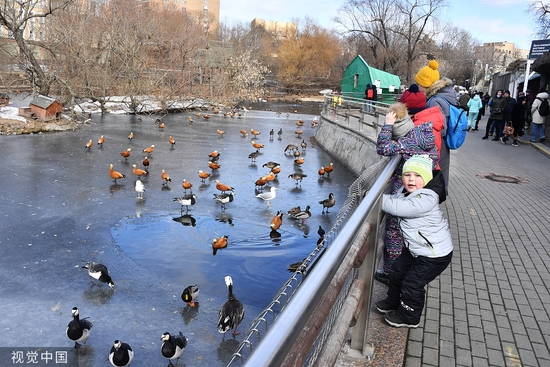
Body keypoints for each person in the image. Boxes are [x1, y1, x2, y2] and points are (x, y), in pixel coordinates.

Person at [375, 155, 453, 328]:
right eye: (407, 175)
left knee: (412, 283)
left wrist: (375, 197)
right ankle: (393, 301)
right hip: (417, 248)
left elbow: (401, 207)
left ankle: (409, 317)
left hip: (434, 255)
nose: (411, 179)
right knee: (397, 272)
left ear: (426, 179)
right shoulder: (406, 190)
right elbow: (397, 200)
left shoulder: (427, 197)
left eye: (418, 176)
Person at [375, 102, 439, 284]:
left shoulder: (408, 141)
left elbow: (383, 148)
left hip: (407, 196)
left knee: (394, 234)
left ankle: (391, 275)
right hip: (423, 193)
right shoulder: (421, 136)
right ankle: (407, 270)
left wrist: (387, 125)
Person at [415, 59, 454, 191]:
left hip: (438, 144)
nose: (418, 87)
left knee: (437, 173)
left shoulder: (434, 101)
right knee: (442, 171)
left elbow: (439, 125)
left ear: (425, 85)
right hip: (442, 143)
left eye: (419, 84)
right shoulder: (442, 97)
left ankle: (435, 196)